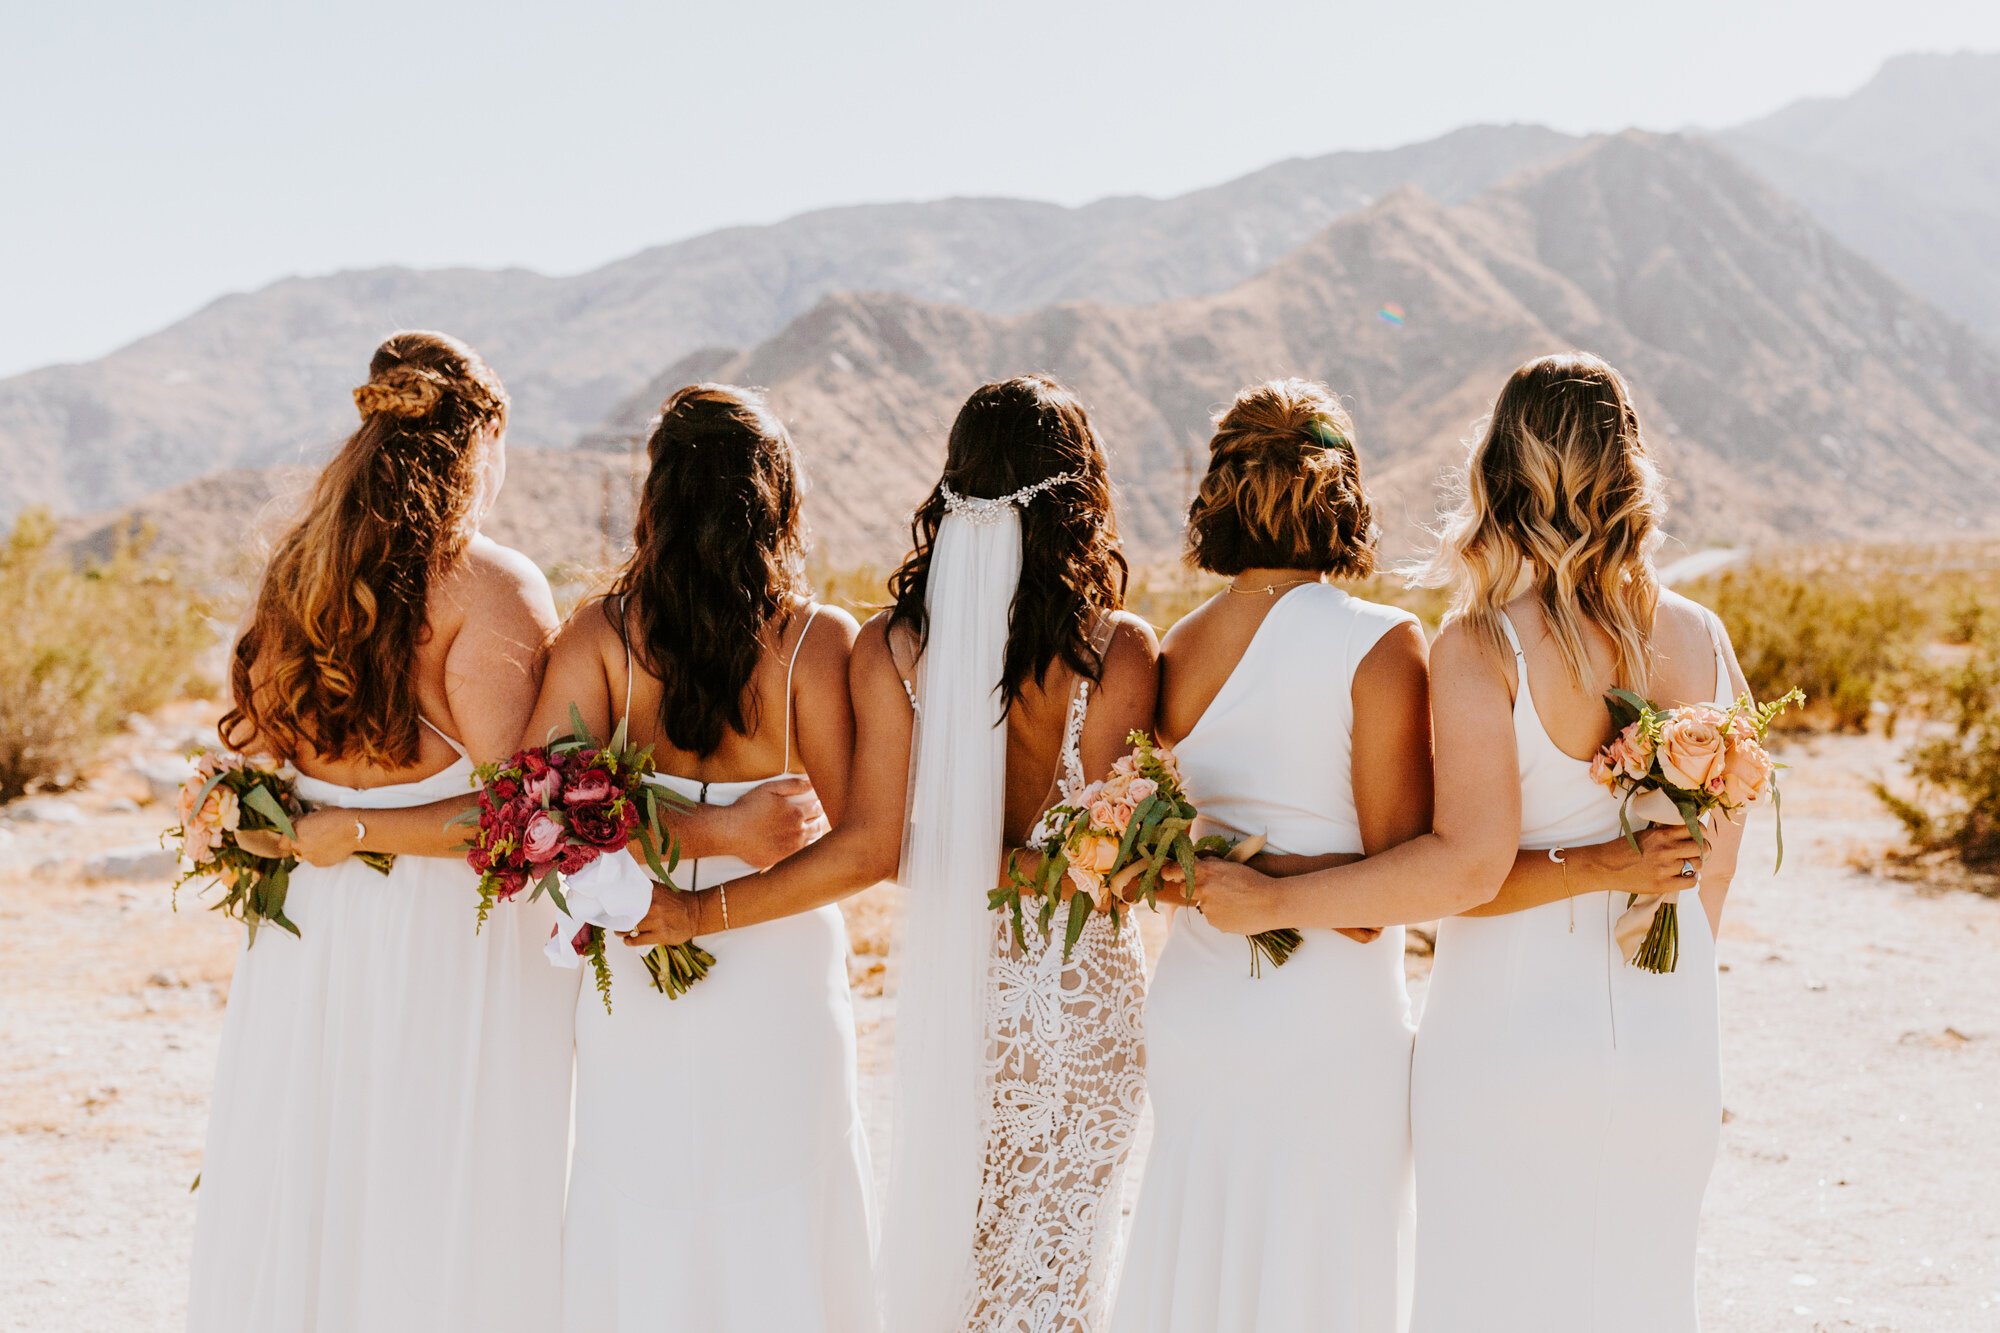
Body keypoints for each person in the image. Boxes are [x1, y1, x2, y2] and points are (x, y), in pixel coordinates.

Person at [1193, 353, 1746, 1333]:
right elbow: (1710, 868)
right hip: (1667, 1038)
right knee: (1641, 1296)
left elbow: (1465, 868)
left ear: (1495, 471)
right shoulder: (1698, 638)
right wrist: (1649, 951)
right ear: (1628, 469)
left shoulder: (1480, 644)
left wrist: (1272, 901)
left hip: (1508, 1040)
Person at [631, 374, 1159, 1333]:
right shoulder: (1119, 652)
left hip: (964, 990)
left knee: (967, 1252)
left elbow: (882, 844)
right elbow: (1114, 858)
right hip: (1084, 995)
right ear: (1080, 494)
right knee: (1066, 1266)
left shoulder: (891, 650)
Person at [188, 331, 576, 1332]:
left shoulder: (297, 572)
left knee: (316, 1165)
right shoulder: (491, 584)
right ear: (480, 441)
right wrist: (353, 823)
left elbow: (271, 756)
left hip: (312, 921)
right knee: (444, 1177)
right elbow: (516, 813)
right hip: (450, 932)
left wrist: (293, 820)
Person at [1111, 379, 1430, 1333]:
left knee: (1203, 1258)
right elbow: (1387, 888)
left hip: (1200, 1007)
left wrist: (1230, 881)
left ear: (1219, 489)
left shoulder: (1179, 647)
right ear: (1344, 493)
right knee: (1319, 1273)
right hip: (1325, 1019)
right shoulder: (1383, 645)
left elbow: (1169, 834)